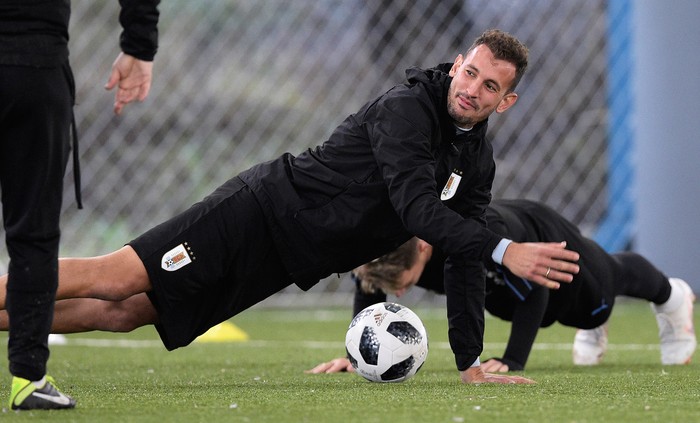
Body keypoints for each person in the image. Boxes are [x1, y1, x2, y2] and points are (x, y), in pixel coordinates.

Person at [0, 29, 580, 386]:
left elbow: (458, 253)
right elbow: (416, 206)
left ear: (506, 102)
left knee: (128, 313)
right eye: (470, 72)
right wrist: (508, 249)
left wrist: (470, 361)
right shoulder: (408, 109)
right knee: (113, 277)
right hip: (256, 212)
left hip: (284, 261)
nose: (472, 88)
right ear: (456, 64)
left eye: (488, 86)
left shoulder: (475, 161)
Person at [307, 199, 696, 374]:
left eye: (404, 284)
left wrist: (513, 359)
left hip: (540, 239)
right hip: (500, 279)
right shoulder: (390, 243)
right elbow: (370, 284)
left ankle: (673, 297)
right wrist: (358, 354)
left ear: (424, 247)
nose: (402, 294)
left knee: (602, 294)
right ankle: (592, 326)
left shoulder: (471, 238)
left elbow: (537, 288)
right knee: (512, 304)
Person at [0, 0, 160, 410]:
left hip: (37, 56)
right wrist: (139, 43)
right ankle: (28, 378)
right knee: (32, 233)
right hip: (33, 62)